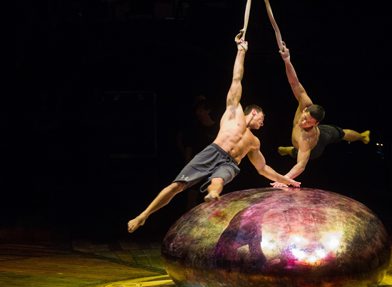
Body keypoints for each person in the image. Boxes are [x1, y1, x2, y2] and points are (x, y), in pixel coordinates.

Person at [128, 33, 300, 233]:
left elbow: (262, 169)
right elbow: (237, 78)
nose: (263, 123)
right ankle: (143, 215)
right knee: (176, 186)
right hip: (213, 151)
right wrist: (241, 51)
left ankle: (212, 195)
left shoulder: (254, 142)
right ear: (254, 112)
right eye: (262, 118)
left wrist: (286, 180)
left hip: (230, 163)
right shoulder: (233, 113)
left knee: (218, 179)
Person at [272, 42, 370, 187]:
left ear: (316, 124)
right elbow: (294, 82)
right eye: (305, 119)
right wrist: (287, 60)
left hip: (317, 145)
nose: (304, 123)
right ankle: (292, 149)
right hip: (300, 142)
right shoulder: (305, 104)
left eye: (309, 123)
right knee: (296, 148)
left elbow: (301, 165)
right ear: (305, 110)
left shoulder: (307, 139)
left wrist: (283, 179)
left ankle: (362, 136)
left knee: (341, 133)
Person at [176, 95, 219, 209]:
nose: (198, 113)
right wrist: (188, 168)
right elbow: (189, 148)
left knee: (213, 197)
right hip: (197, 168)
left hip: (214, 169)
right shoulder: (196, 129)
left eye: (201, 110)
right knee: (192, 199)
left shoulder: (219, 128)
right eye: (197, 110)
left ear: (208, 110)